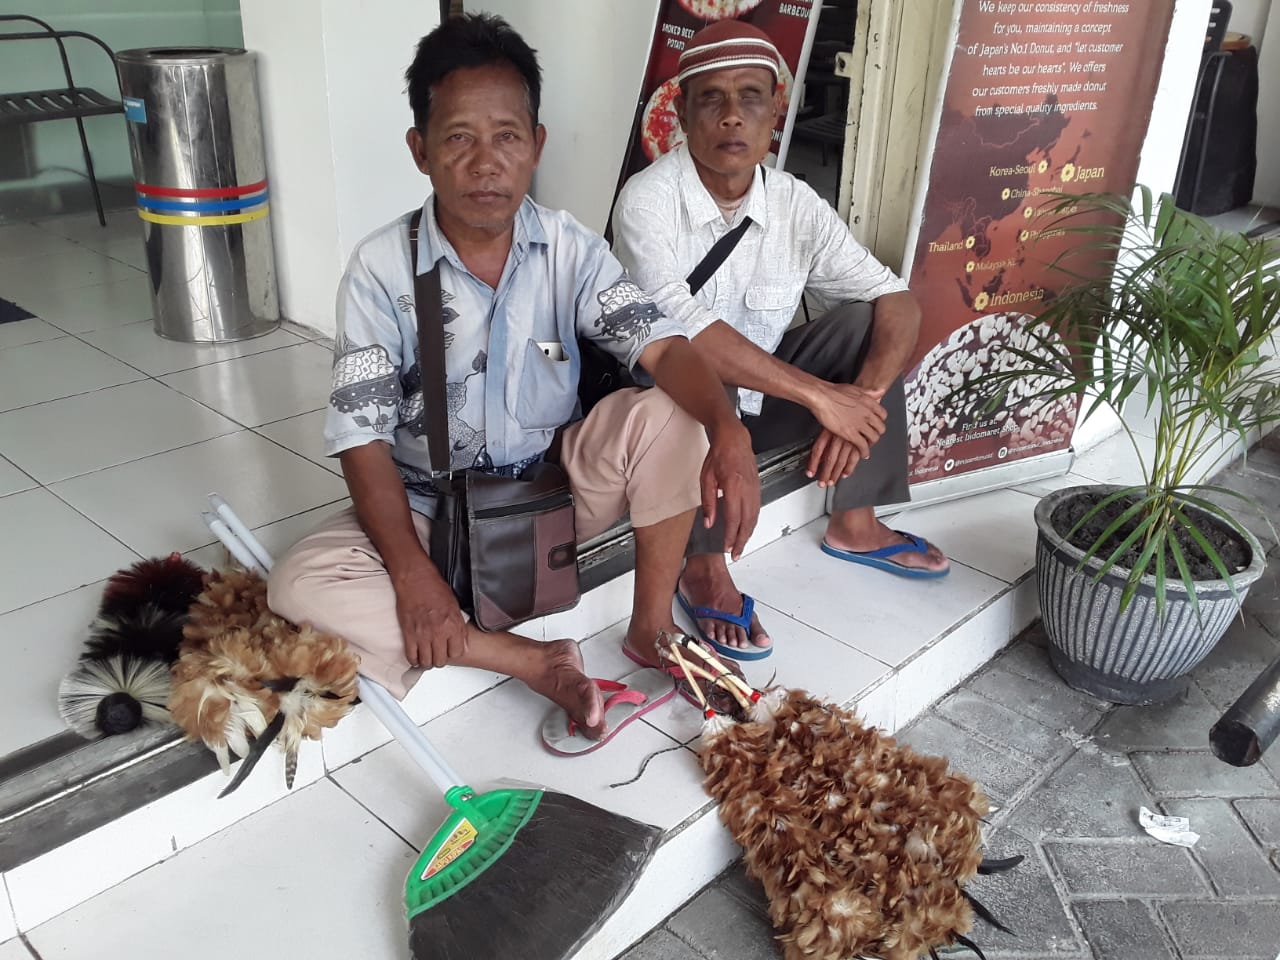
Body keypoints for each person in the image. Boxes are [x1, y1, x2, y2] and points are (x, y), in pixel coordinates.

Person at [267, 13, 760, 741]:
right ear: (421, 151)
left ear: (536, 146)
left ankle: (649, 630)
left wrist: (730, 431)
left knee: (677, 414)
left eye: (506, 136)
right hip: (432, 511)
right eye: (458, 137)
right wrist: (412, 576)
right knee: (299, 586)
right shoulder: (381, 268)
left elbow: (663, 345)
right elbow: (361, 440)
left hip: (551, 490)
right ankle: (528, 659)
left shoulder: (570, 248)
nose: (484, 162)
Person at [612, 20, 949, 661]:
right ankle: (703, 563)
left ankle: (855, 520)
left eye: (751, 97)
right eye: (711, 98)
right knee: (682, 391)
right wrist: (823, 398)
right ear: (681, 113)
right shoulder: (647, 203)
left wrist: (863, 401)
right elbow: (679, 329)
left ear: (776, 112)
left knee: (864, 322)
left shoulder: (795, 202)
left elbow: (898, 299)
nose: (732, 117)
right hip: (673, 407)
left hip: (761, 399)